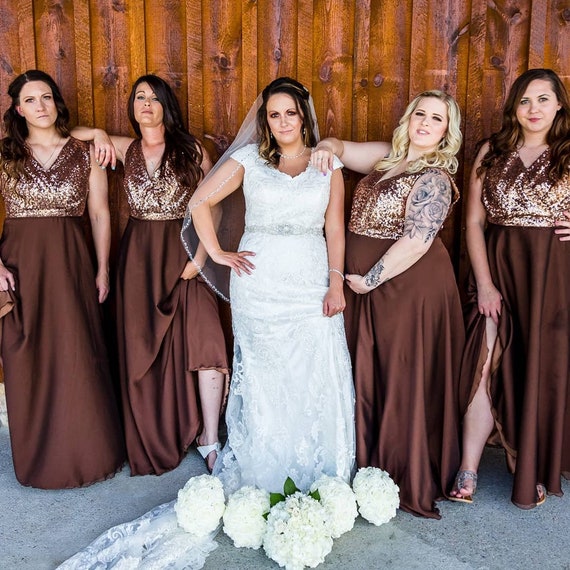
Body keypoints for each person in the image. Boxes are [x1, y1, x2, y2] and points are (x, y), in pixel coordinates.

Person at [186, 76, 355, 493]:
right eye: (274, 114)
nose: (283, 122)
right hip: (258, 286)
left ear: (303, 117)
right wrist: (219, 252)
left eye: (290, 113)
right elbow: (199, 201)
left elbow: (335, 229)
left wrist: (336, 284)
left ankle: (317, 468)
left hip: (310, 282)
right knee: (265, 377)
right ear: (266, 120)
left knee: (315, 371)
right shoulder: (249, 160)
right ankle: (264, 466)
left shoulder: (327, 164)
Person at [311, 90, 465, 519]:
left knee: (398, 372)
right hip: (363, 285)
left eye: (437, 119)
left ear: (447, 132)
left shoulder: (433, 177)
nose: (426, 123)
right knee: (365, 370)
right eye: (421, 114)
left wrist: (370, 279)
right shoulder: (384, 156)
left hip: (405, 287)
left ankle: (399, 470)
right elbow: (341, 149)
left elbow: (417, 240)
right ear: (408, 118)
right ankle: (363, 464)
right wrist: (326, 147)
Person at [75, 74, 229, 475]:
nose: (146, 103)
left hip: (185, 249)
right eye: (139, 96)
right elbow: (64, 136)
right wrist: (95, 132)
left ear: (166, 106)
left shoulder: (192, 149)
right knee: (142, 347)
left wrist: (200, 258)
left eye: (154, 97)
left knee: (205, 336)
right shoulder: (124, 148)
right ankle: (149, 432)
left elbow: (216, 205)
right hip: (139, 257)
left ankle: (209, 438)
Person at [449, 68, 570, 509]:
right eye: (524, 100)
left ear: (559, 104)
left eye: (543, 99)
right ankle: (469, 466)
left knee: (536, 367)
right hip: (497, 270)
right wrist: (484, 284)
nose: (533, 109)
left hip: (551, 278)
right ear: (513, 107)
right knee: (485, 363)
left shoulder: (568, 152)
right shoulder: (491, 150)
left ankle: (531, 463)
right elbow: (474, 222)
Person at [0, 69, 125, 488]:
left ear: (57, 102)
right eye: (31, 100)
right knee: (26, 356)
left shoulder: (84, 148)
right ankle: (40, 461)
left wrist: (102, 267)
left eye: (47, 97)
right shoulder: (5, 153)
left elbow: (100, 212)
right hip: (19, 265)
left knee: (77, 353)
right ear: (18, 109)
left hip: (72, 261)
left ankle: (90, 455)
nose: (41, 106)